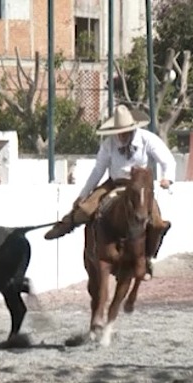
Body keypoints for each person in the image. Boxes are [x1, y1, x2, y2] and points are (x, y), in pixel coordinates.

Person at [43, 104, 176, 279]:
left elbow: (168, 161)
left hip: (139, 187)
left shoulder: (147, 139)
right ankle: (65, 225)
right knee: (85, 209)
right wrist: (83, 195)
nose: (121, 135)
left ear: (132, 129)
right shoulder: (109, 144)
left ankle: (147, 258)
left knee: (157, 223)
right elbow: (98, 170)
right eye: (118, 131)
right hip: (114, 182)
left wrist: (167, 178)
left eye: (125, 131)